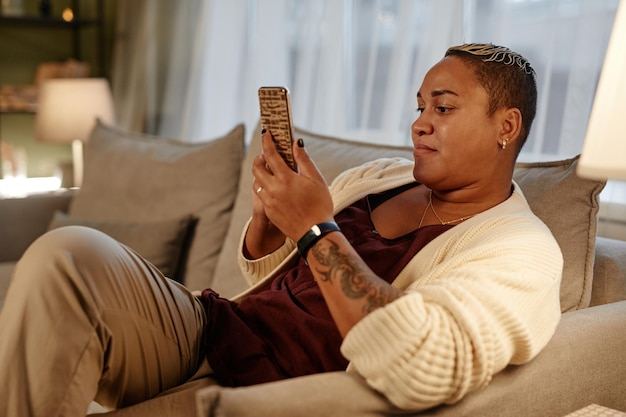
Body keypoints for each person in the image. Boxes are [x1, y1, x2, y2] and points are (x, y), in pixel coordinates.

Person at [0, 43, 563, 416]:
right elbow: (271, 274)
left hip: (279, 384)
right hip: (214, 327)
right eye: (419, 106)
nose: (418, 123)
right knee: (67, 254)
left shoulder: (521, 251)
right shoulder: (380, 179)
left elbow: (419, 361)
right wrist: (270, 226)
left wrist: (316, 227)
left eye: (443, 108)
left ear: (505, 127)